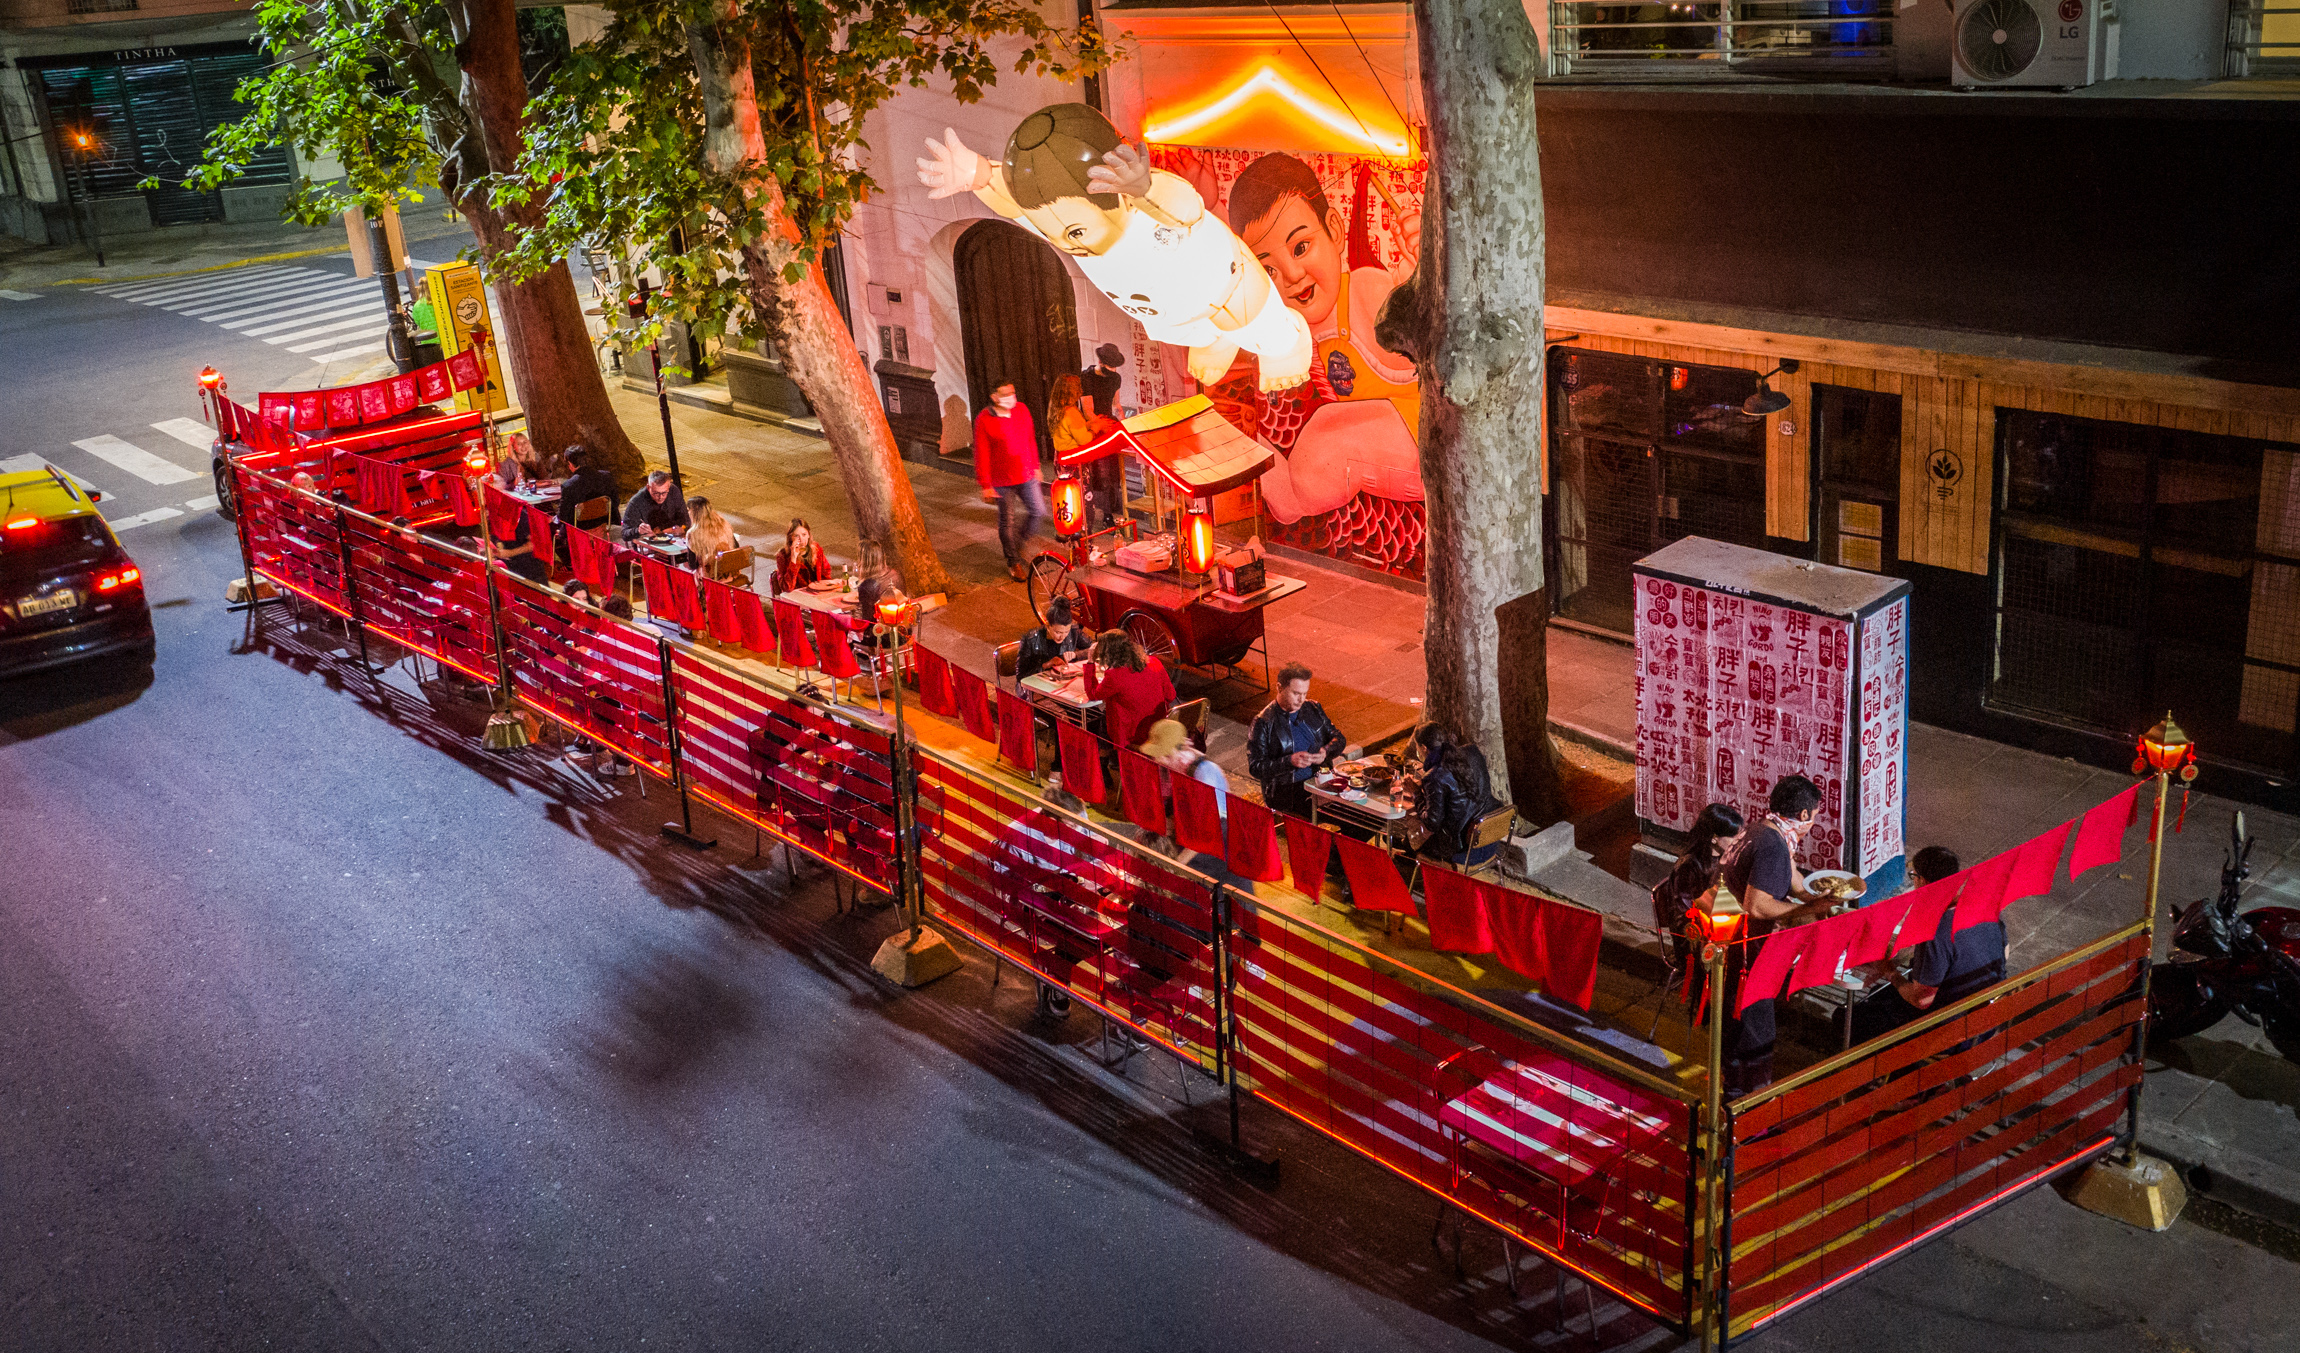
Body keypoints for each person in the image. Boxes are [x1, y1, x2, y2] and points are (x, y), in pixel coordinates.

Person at [917, 105, 1313, 393]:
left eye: (1072, 230)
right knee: (1200, 335)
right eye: (1054, 230)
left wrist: (1146, 188)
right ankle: (1214, 340)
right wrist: (981, 176)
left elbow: (1186, 207)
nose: (1065, 241)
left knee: (1263, 331)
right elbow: (1021, 205)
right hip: (1171, 315)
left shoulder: (1144, 210)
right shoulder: (1066, 227)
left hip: (1227, 290)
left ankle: (1288, 342)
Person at [1224, 152, 1424, 526]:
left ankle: (1290, 493)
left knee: (1330, 437)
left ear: (1334, 230)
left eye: (1301, 247)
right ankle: (1283, 487)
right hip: (1398, 448)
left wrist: (1420, 265)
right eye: (1268, 268)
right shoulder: (1296, 327)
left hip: (1431, 440)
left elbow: (1412, 313)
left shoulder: (1365, 290)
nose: (1292, 274)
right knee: (1325, 429)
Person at [1719, 775, 1843, 1094]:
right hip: (1750, 950)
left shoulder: (1765, 828)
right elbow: (1758, 907)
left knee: (1743, 1026)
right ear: (1803, 815)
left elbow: (1792, 878)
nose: (1813, 822)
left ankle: (1734, 1091)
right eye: (1815, 815)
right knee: (1755, 1032)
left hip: (1739, 943)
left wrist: (1818, 899)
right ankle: (1746, 1106)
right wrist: (1804, 910)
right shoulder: (1774, 844)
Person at [1852, 848, 2008, 1044]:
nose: (1913, 882)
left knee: (1854, 1021)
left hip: (1949, 1029)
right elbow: (2005, 952)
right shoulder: (1986, 907)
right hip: (1988, 1014)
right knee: (1880, 998)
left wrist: (1888, 970)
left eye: (1914, 876)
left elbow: (1921, 1000)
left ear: (1922, 881)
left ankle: (1903, 1069)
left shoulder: (1936, 929)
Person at [1650, 803, 1749, 977]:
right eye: (1734, 837)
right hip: (1695, 939)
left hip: (1723, 927)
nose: (1738, 842)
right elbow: (1683, 916)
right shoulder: (1689, 867)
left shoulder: (1727, 858)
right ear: (1714, 838)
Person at [1248, 662, 1346, 817]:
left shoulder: (1312, 708)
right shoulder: (1264, 722)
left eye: (1305, 694)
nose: (1301, 699)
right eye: (1296, 693)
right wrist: (1289, 762)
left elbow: (1339, 738)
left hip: (1320, 781)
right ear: (1280, 688)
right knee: (1342, 819)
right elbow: (1256, 767)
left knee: (1362, 816)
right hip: (1289, 791)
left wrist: (1325, 752)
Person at [973, 380, 1042, 580]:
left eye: (1013, 392)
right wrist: (985, 485)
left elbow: (1030, 439)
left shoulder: (1021, 410)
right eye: (1005, 394)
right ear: (994, 397)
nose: (1011, 397)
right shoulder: (984, 419)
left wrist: (1036, 465)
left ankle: (1018, 545)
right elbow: (982, 452)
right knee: (1007, 520)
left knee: (1037, 511)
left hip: (1026, 473)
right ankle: (1013, 561)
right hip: (1001, 479)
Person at [1082, 629, 1174, 751]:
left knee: (1102, 718)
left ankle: (1103, 761)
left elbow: (1093, 694)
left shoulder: (1115, 675)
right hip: (1159, 728)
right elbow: (1171, 695)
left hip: (1132, 735)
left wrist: (1090, 662)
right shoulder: (1155, 662)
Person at [1416, 739, 1503, 868]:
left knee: (1419, 839)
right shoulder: (1471, 752)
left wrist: (1416, 794)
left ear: (1423, 748)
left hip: (1466, 851)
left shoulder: (1434, 776)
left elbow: (1432, 822)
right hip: (1491, 842)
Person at [1017, 596, 1092, 680]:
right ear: (1048, 625)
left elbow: (1096, 649)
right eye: (1058, 632)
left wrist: (1076, 655)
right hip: (1039, 686)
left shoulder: (1074, 632)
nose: (1062, 637)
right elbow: (1021, 676)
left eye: (1066, 632)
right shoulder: (1031, 639)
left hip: (1065, 680)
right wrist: (1046, 665)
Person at [555, 446, 617, 527]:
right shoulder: (607, 477)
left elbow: (563, 516)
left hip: (580, 530)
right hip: (604, 524)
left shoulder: (568, 486)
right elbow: (615, 502)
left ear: (570, 464)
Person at [621, 470, 690, 540]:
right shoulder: (637, 501)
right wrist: (638, 531)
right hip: (648, 542)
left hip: (673, 537)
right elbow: (625, 534)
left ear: (669, 487)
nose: (660, 497)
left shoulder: (673, 491)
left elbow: (685, 519)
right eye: (656, 493)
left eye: (664, 493)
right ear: (648, 487)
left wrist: (663, 529)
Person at [772, 518, 829, 595]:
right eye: (796, 536)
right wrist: (793, 559)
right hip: (799, 597)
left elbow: (826, 574)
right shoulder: (783, 556)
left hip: (817, 594)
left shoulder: (816, 549)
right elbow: (787, 588)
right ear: (790, 537)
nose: (801, 539)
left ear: (808, 535)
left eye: (804, 535)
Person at [686, 496, 739, 573]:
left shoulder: (692, 533)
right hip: (731, 571)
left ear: (693, 512)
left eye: (688, 510)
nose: (687, 513)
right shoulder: (724, 523)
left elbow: (693, 564)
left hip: (710, 576)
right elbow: (736, 546)